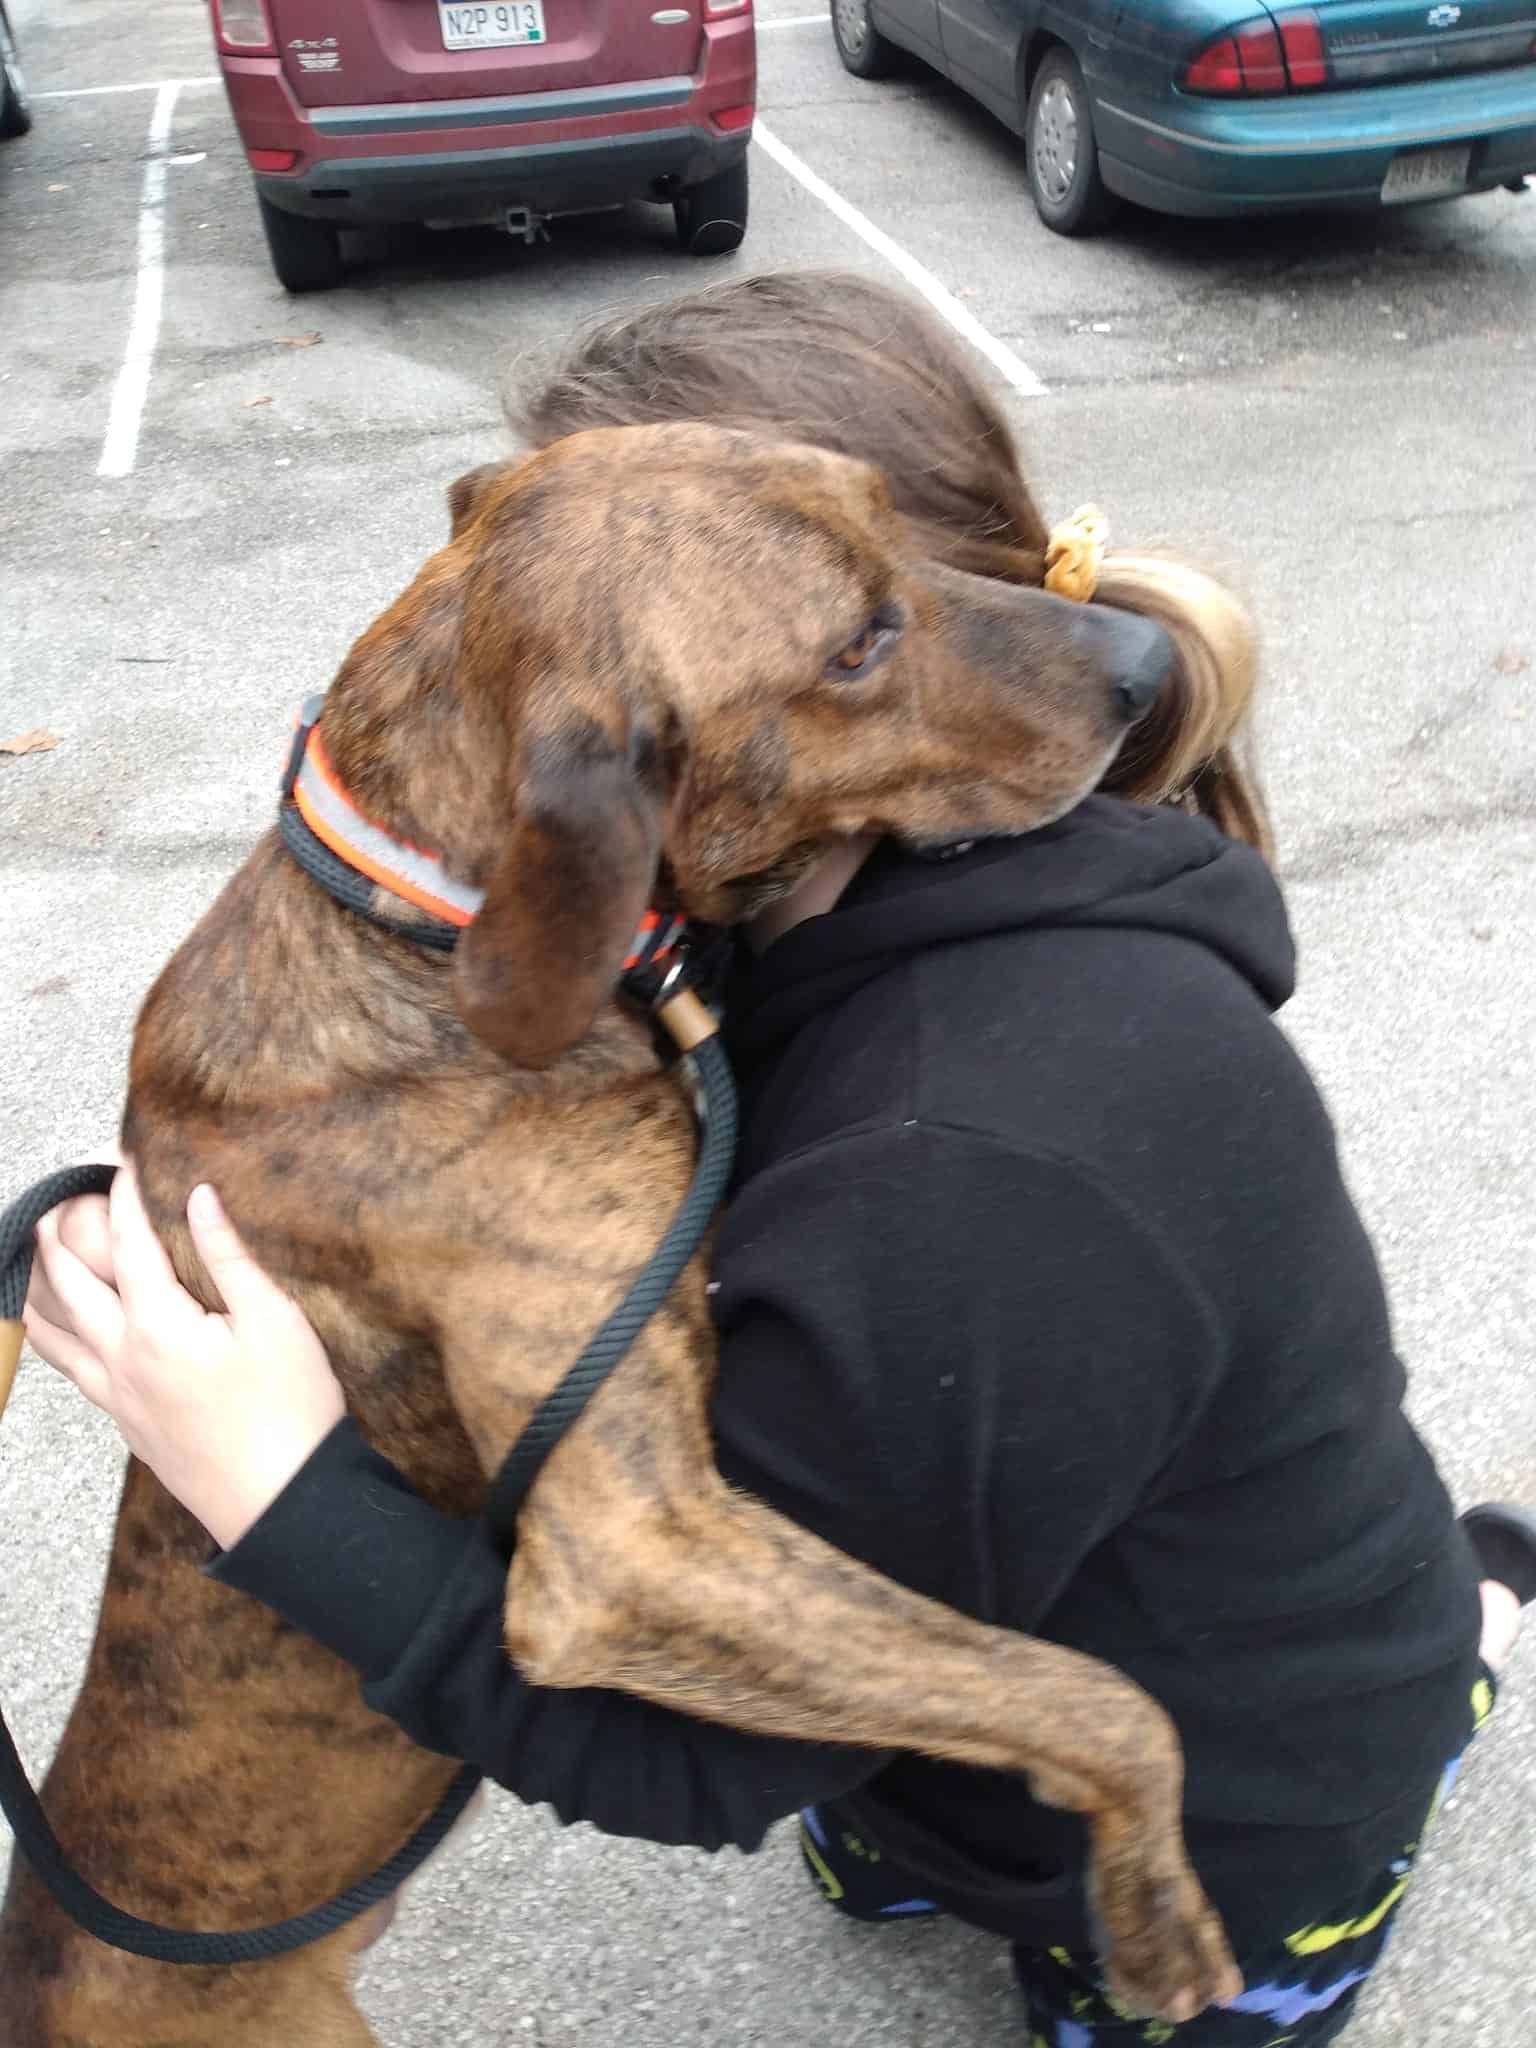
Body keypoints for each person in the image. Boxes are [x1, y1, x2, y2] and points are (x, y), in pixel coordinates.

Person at [23, 273, 1535, 2047]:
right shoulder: (636, 889)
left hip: (1246, 1795)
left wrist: (280, 1500)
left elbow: (696, 1754)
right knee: (887, 1799)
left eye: (867, 626)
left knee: (1156, 1974)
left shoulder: (978, 1168)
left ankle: (1401, 1734)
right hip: (969, 1559)